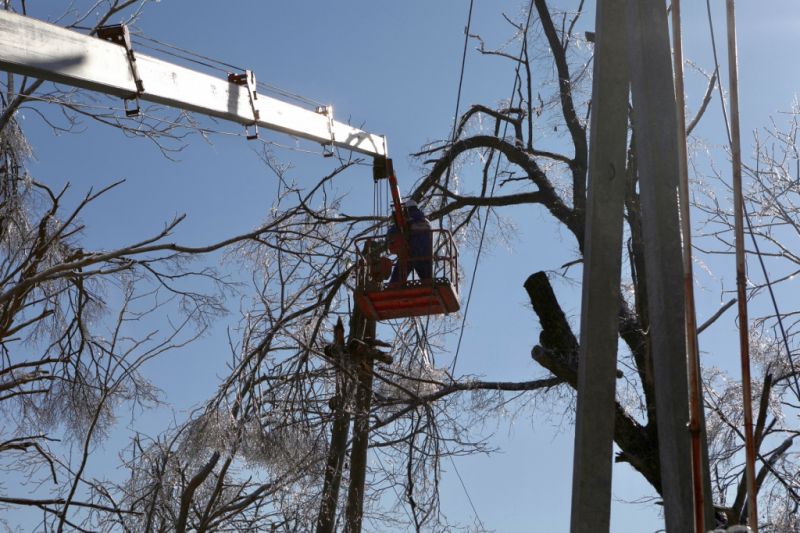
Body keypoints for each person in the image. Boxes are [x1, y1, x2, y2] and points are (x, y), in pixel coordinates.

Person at [385, 199, 433, 283]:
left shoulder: (407, 220)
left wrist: (389, 236)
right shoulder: (426, 222)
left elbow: (393, 232)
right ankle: (429, 285)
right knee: (428, 281)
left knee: (396, 280)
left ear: (407, 209)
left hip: (410, 253)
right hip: (426, 255)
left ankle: (393, 287)